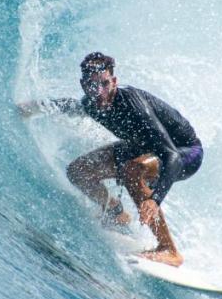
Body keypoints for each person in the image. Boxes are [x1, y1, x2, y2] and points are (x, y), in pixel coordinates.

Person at [19, 52, 203, 267]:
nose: (99, 92)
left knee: (132, 170)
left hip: (183, 154)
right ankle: (116, 213)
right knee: (79, 171)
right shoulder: (91, 104)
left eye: (105, 84)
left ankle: (168, 250)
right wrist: (34, 108)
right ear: (83, 84)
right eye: (91, 85)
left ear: (114, 81)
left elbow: (171, 156)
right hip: (141, 150)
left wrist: (155, 199)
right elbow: (71, 106)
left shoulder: (134, 106)